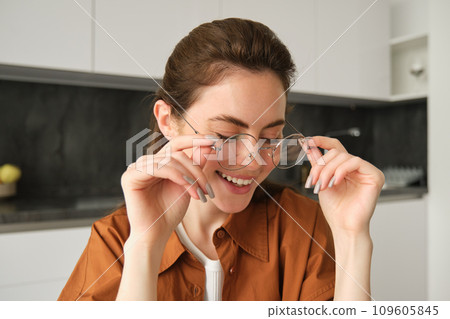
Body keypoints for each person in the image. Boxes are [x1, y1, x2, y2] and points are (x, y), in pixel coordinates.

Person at [57, 18, 385, 301]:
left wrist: (351, 238)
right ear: (168, 120)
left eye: (270, 138)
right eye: (226, 136)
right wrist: (145, 246)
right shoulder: (115, 237)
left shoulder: (303, 226)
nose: (252, 161)